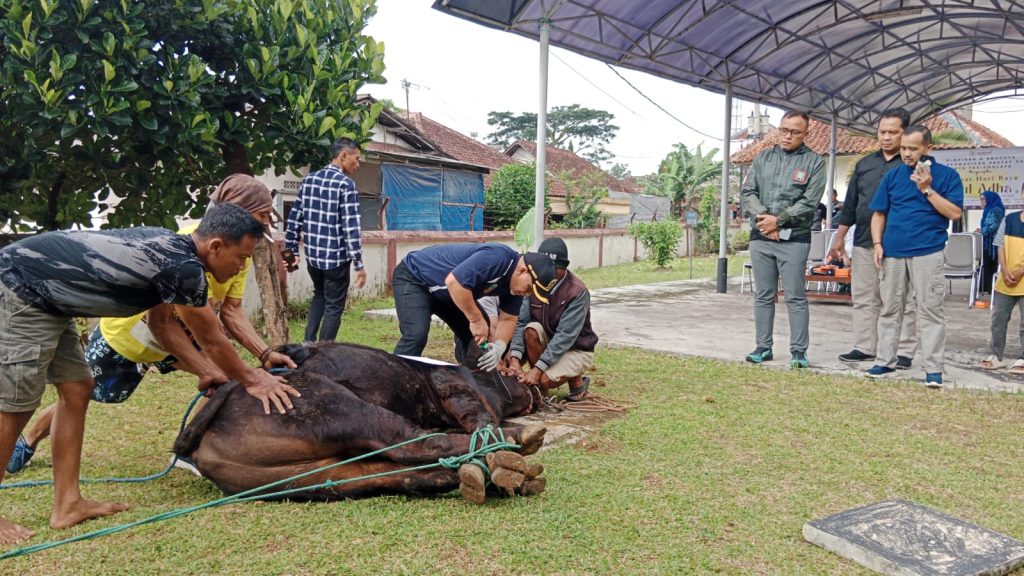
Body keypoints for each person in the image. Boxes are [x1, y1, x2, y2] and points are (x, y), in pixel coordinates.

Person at [0, 203, 298, 544]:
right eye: (241, 257)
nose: (241, 266)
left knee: (79, 387)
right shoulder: (184, 268)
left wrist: (205, 372)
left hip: (54, 301)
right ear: (216, 246)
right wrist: (254, 378)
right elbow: (212, 339)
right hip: (21, 287)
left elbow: (161, 324)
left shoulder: (173, 253)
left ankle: (68, 503)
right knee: (17, 401)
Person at [865, 125, 964, 387]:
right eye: (904, 148)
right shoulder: (893, 176)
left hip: (928, 252)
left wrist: (927, 189)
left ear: (927, 148)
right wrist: (877, 243)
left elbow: (954, 213)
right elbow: (879, 213)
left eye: (913, 148)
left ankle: (933, 370)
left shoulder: (947, 176)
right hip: (893, 252)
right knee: (890, 309)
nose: (907, 153)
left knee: (931, 310)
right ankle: (884, 361)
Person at [829, 109, 918, 368]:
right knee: (864, 296)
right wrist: (840, 236)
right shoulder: (864, 164)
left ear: (905, 134)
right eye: (883, 132)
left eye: (893, 132)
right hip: (864, 241)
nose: (887, 137)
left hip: (899, 244)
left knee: (901, 299)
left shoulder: (913, 165)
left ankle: (903, 351)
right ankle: (864, 346)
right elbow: (851, 205)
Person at [740, 111, 825, 369]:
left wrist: (780, 220)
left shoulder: (814, 162)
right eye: (784, 130)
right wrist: (766, 220)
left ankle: (799, 352)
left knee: (795, 296)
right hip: (761, 236)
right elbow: (748, 192)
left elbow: (810, 201)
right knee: (764, 294)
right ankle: (763, 347)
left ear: (805, 134)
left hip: (794, 239)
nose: (788, 136)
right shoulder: (762, 157)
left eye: (795, 132)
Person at [391, 243, 557, 369]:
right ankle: (393, 382)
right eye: (529, 288)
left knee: (477, 338)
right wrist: (476, 320)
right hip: (415, 279)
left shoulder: (514, 287)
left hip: (447, 293)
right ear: (522, 271)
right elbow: (454, 282)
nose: (527, 294)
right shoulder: (497, 258)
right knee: (416, 334)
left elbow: (508, 319)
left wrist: (499, 347)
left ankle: (471, 379)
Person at [285, 137, 367, 342]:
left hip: (313, 259)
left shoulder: (309, 180)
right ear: (343, 155)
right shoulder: (346, 185)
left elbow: (294, 217)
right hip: (336, 261)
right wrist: (358, 264)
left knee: (319, 295)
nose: (357, 164)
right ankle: (322, 352)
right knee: (333, 307)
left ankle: (307, 343)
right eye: (356, 159)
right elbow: (351, 227)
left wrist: (292, 252)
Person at [504, 238, 598, 401]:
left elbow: (565, 336)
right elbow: (521, 322)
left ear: (565, 266)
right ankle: (541, 389)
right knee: (531, 330)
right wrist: (515, 358)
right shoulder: (532, 283)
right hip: (548, 340)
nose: (549, 272)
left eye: (555, 268)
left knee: (544, 380)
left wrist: (538, 370)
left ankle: (575, 379)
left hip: (576, 349)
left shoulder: (577, 292)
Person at [981, 196, 1024, 373]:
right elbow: (1000, 245)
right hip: (1006, 280)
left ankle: (1022, 359)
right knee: (998, 320)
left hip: (1021, 276)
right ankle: (996, 356)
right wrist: (1004, 270)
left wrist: (1020, 271)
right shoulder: (1009, 219)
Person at [978, 191, 1005, 294]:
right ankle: (987, 287)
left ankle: (991, 287)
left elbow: (995, 225)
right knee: (986, 264)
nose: (981, 201)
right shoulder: (988, 209)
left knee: (991, 264)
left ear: (990, 199)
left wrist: (983, 230)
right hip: (987, 241)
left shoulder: (996, 209)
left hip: (993, 243)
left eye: (983, 199)